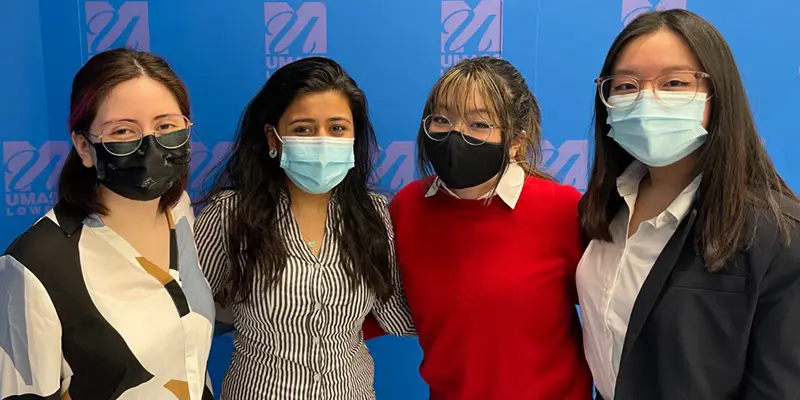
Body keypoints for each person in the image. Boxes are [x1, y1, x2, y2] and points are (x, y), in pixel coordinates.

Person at [577, 9, 800, 400]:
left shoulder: (777, 234)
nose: (647, 100)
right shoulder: (603, 211)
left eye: (675, 82)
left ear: (718, 93)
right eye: (626, 85)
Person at [194, 57, 415, 399]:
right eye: (303, 129)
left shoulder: (373, 214)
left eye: (337, 128)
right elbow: (185, 321)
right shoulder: (229, 214)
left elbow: (396, 315)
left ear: (354, 136)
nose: (322, 141)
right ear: (273, 137)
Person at [0, 48, 215, 399]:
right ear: (84, 147)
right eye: (123, 132)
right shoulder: (35, 265)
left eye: (166, 126)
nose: (151, 145)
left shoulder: (180, 213)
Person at [380, 56, 592, 399]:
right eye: (442, 119)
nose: (456, 134)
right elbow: (362, 309)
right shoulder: (407, 208)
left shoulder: (563, 210)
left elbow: (614, 316)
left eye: (479, 124)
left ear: (516, 140)